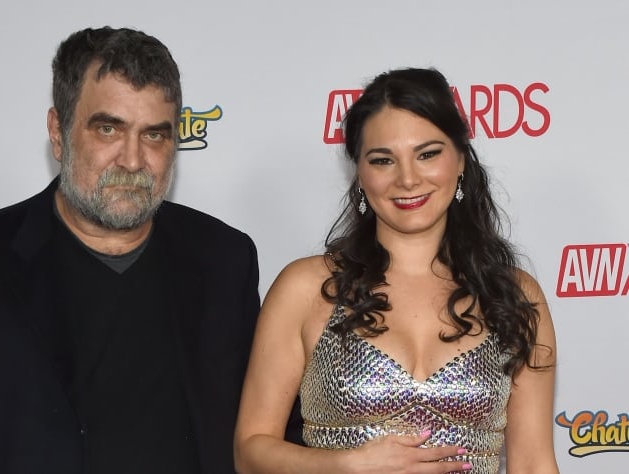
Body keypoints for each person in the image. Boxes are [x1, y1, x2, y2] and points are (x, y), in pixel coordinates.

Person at [0, 26, 262, 474]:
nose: (131, 159)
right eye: (109, 129)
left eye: (155, 135)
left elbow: (261, 436)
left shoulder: (225, 259)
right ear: (58, 131)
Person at [234, 67, 558, 473]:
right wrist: (347, 466)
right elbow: (250, 452)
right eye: (383, 160)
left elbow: (533, 463)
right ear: (360, 173)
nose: (407, 179)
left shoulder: (514, 295)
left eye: (428, 154)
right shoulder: (306, 288)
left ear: (460, 160)